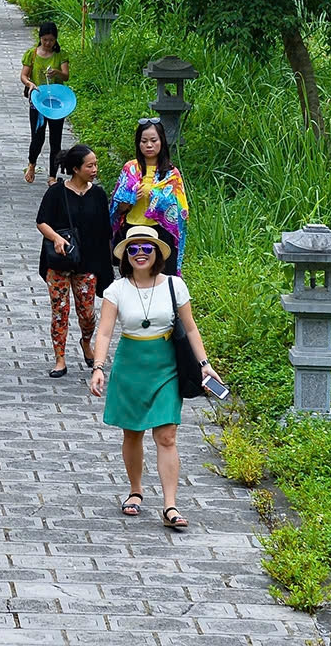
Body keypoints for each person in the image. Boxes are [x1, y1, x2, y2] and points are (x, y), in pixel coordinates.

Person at [89, 224, 223, 526]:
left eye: (146, 249)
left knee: (167, 435)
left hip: (166, 365)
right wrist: (98, 367)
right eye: (133, 249)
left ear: (157, 253)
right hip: (130, 365)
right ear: (125, 255)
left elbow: (190, 327)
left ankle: (170, 506)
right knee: (132, 432)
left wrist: (204, 363)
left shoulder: (175, 286)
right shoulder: (117, 289)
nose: (140, 254)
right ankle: (135, 491)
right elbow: (106, 332)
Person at [35, 144, 112, 377]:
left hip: (87, 262)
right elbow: (42, 221)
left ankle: (86, 342)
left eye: (96, 164)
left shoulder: (98, 194)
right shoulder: (56, 192)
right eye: (90, 165)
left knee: (87, 313)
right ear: (76, 168)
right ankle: (60, 358)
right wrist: (56, 238)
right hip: (59, 261)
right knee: (60, 310)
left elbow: (104, 231)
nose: (95, 169)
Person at [111, 116, 190, 273]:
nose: (149, 145)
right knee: (134, 278)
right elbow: (118, 208)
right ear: (138, 143)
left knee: (163, 280)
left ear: (161, 141)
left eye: (153, 140)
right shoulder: (130, 168)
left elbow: (181, 210)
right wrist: (131, 198)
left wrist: (158, 199)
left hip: (162, 232)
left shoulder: (171, 173)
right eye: (144, 141)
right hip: (134, 230)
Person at [21, 22, 71, 185]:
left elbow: (65, 76)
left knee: (55, 140)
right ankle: (32, 163)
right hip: (38, 101)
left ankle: (52, 175)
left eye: (51, 40)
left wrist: (56, 72)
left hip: (57, 103)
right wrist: (30, 85)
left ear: (56, 40)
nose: (48, 43)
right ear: (40, 38)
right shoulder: (32, 54)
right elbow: (24, 75)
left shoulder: (60, 55)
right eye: (45, 40)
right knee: (38, 136)